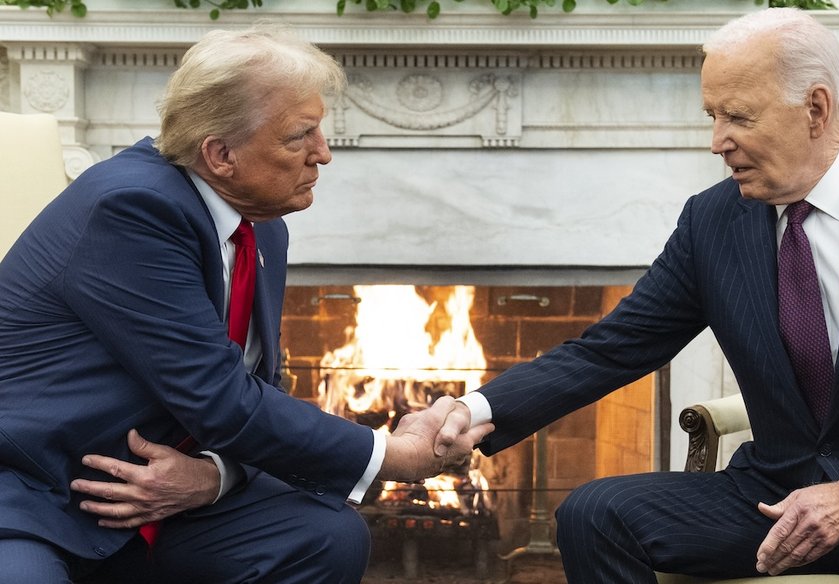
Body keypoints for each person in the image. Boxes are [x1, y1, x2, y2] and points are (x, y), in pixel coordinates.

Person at [439, 7, 839, 583]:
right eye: (712, 115)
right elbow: (610, 350)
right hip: (776, 498)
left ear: (815, 109)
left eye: (738, 117)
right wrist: (474, 410)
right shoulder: (712, 221)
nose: (717, 141)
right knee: (594, 515)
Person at [0, 26, 490, 584]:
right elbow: (221, 398)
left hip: (156, 491)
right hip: (38, 493)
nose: (323, 154)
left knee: (322, 536)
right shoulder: (132, 210)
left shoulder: (260, 225)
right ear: (221, 154)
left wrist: (213, 476)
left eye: (320, 129)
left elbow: (258, 385)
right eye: (298, 137)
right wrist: (392, 455)